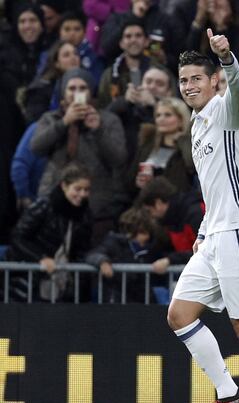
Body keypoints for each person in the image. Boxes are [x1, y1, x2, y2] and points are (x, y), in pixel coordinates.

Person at [169, 29, 239, 403]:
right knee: (179, 315)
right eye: (184, 80)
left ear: (213, 80)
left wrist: (227, 57)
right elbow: (217, 185)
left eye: (196, 78)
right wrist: (203, 226)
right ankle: (230, 395)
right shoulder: (197, 124)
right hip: (213, 235)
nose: (189, 86)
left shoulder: (227, 112)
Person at [31, 67, 128, 245]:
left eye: (82, 88)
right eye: (72, 88)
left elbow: (119, 158)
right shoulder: (51, 118)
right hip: (55, 202)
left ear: (91, 92)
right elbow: (36, 147)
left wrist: (98, 130)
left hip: (96, 204)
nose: (76, 94)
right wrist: (64, 123)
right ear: (63, 93)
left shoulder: (108, 119)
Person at [4, 162, 93, 302]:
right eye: (78, 189)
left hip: (61, 283)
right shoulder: (44, 206)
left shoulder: (85, 215)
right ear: (64, 186)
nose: (82, 194)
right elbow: (18, 238)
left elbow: (82, 249)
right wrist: (41, 257)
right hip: (28, 280)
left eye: (86, 190)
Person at [86, 206, 169, 303]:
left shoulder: (152, 249)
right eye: (142, 232)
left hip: (142, 303)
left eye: (147, 232)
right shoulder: (114, 243)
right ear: (132, 231)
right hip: (116, 302)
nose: (146, 237)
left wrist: (168, 260)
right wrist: (102, 261)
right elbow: (93, 254)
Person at [127, 97, 194, 194]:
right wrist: (137, 183)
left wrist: (183, 141)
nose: (161, 119)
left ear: (181, 120)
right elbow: (130, 179)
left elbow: (190, 171)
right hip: (145, 202)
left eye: (168, 115)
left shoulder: (189, 146)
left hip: (177, 204)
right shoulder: (148, 144)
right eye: (158, 115)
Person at [137, 176, 204, 274]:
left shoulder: (195, 213)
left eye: (149, 210)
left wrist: (170, 260)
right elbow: (157, 249)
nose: (150, 215)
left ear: (158, 203)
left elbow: (204, 251)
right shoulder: (169, 221)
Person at [24, 39, 80, 124]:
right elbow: (36, 125)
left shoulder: (85, 85)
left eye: (75, 54)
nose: (73, 57)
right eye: (66, 55)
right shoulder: (40, 90)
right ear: (56, 63)